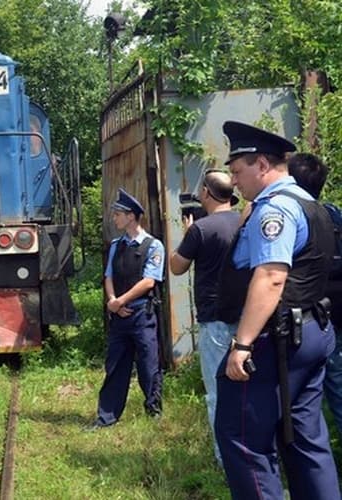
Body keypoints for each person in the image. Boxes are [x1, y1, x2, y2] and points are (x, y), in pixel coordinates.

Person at [216, 121, 340, 499]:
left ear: (262, 165)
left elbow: (271, 277)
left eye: (238, 171)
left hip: (277, 338)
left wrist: (242, 344)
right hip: (312, 329)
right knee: (304, 439)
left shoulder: (277, 209)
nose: (234, 182)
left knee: (243, 439)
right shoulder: (310, 204)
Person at [169, 170, 241, 465]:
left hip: (214, 318)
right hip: (247, 318)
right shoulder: (244, 221)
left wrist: (187, 235)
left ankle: (225, 459)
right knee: (249, 388)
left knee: (217, 391)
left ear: (207, 194)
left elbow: (176, 267)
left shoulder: (201, 229)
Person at [91, 188, 165, 429]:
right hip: (119, 316)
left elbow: (149, 282)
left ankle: (153, 410)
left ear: (131, 216)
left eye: (118, 214)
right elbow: (109, 276)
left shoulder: (153, 246)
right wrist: (113, 301)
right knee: (115, 367)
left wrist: (119, 301)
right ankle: (106, 417)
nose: (114, 218)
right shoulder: (116, 245)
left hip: (142, 314)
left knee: (148, 365)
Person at [286, 152, 342, 438]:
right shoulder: (332, 213)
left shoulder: (296, 217)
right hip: (334, 311)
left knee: (307, 396)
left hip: (312, 318)